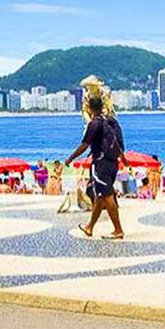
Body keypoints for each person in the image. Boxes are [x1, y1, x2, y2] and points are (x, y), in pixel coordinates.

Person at [66, 95, 127, 239]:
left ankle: (118, 230)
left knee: (106, 195)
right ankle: (89, 227)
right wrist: (123, 159)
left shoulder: (94, 123)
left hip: (101, 164)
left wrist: (70, 158)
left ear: (88, 107)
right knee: (99, 196)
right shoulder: (108, 121)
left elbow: (84, 145)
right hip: (112, 162)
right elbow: (116, 143)